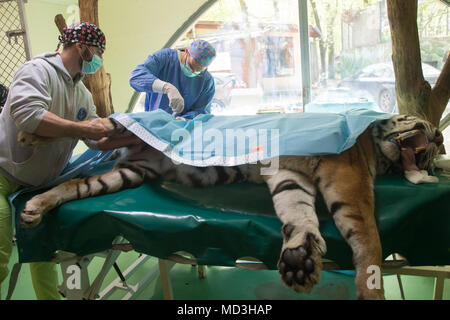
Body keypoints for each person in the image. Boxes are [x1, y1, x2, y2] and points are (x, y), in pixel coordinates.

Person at [0, 22, 114, 300]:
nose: (98, 59)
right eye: (98, 52)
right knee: (0, 259)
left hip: (37, 185)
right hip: (3, 175)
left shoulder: (82, 92)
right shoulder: (37, 71)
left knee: (42, 254)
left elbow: (94, 139)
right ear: (82, 47)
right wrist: (84, 129)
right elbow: (29, 115)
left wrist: (127, 133)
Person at [129, 39, 217, 120]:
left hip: (182, 130)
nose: (193, 71)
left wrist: (182, 121)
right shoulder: (165, 58)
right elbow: (136, 78)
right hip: (152, 123)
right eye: (192, 65)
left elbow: (202, 112)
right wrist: (166, 87)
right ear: (186, 51)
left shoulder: (207, 82)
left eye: (199, 69)